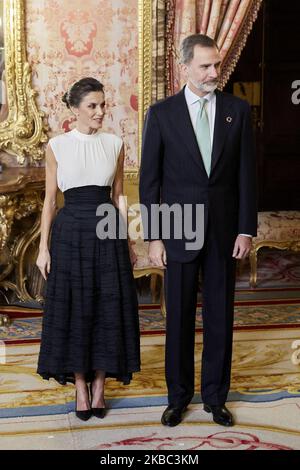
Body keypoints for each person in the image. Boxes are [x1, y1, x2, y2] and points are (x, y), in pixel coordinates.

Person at [139, 35, 257, 427]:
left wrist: (245, 230)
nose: (213, 73)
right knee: (179, 320)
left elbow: (246, 177)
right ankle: (178, 398)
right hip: (177, 232)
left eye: (216, 65)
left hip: (225, 233)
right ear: (184, 66)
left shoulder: (236, 111)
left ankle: (215, 398)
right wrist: (155, 237)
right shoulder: (161, 114)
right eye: (205, 66)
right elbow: (150, 182)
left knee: (221, 318)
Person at [36, 77, 140, 421]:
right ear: (74, 109)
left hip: (108, 233)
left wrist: (127, 241)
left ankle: (100, 385)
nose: (100, 111)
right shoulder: (57, 145)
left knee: (106, 307)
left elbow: (119, 196)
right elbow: (50, 201)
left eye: (103, 104)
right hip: (70, 234)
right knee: (76, 307)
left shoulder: (115, 143)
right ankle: (80, 385)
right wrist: (43, 248)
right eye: (92, 106)